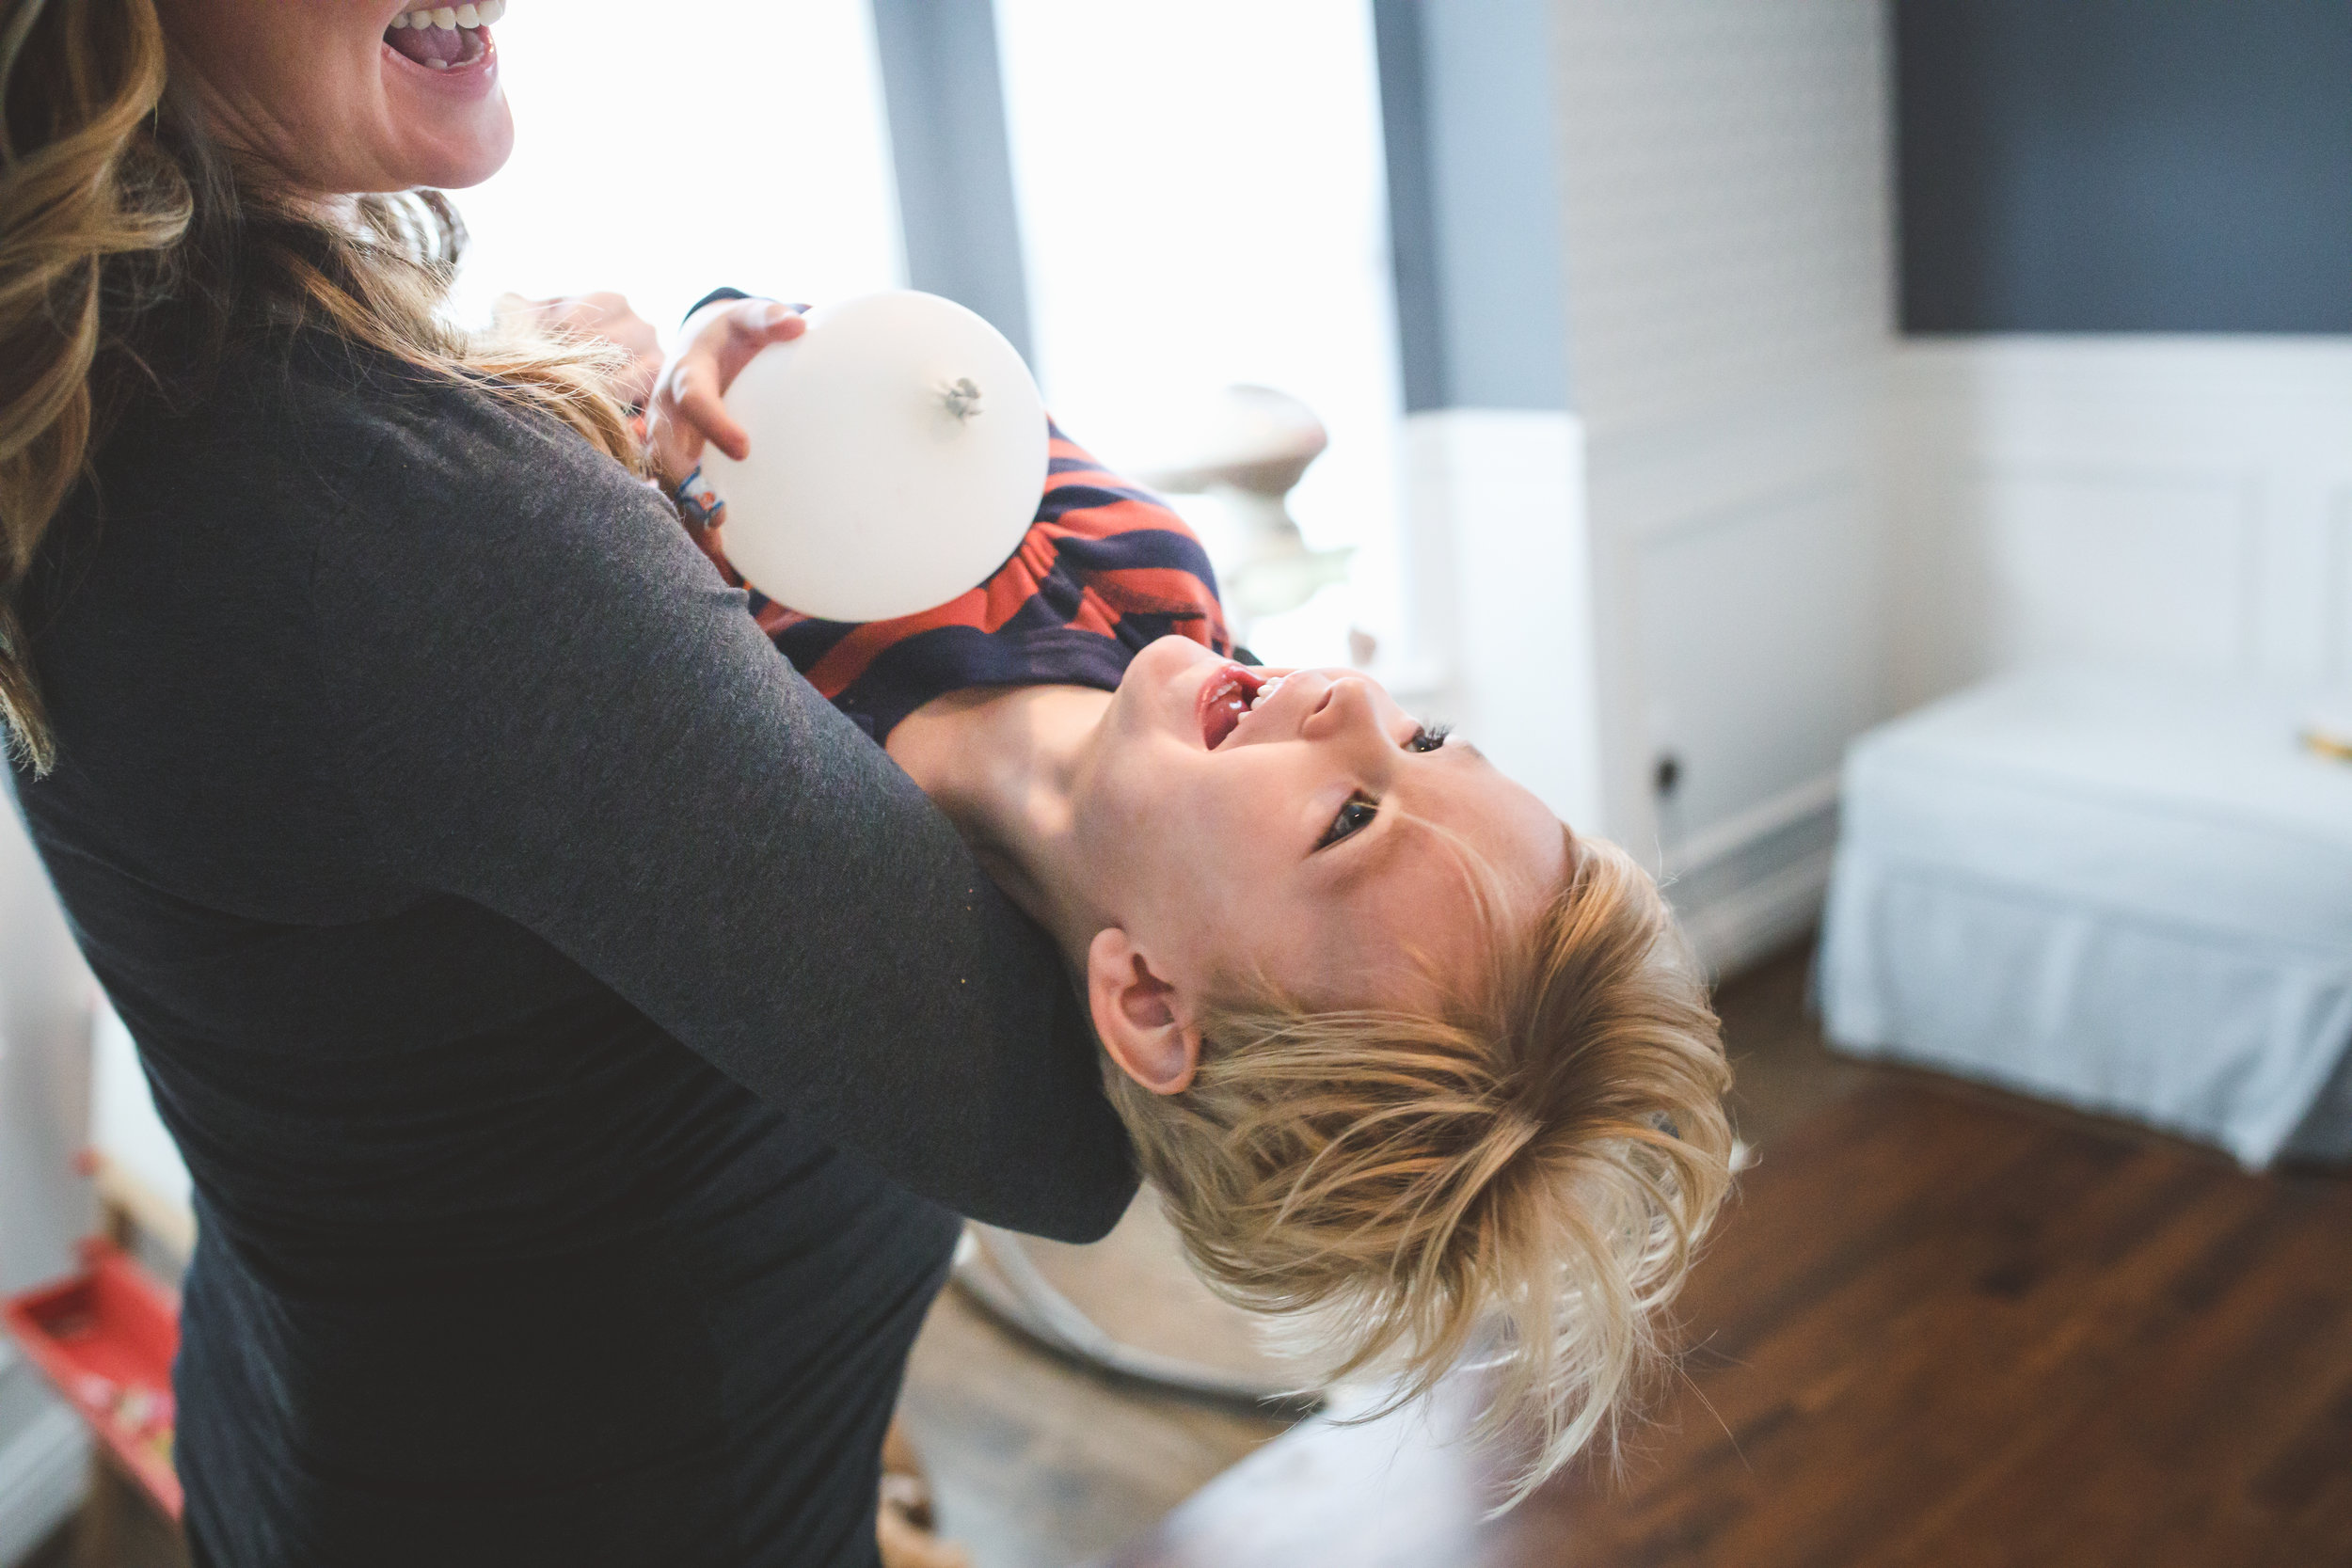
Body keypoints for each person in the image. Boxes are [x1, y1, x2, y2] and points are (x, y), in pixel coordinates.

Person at [0, 3, 1133, 1565]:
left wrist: (600, 475)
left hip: (341, 1429)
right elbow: (1057, 1130)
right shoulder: (391, 522)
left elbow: (485, 768)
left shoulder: (103, 396)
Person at [651, 328, 1736, 1503]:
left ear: (1153, 1002)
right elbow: (838, 365)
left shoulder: (805, 864)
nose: (1349, 693)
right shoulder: (1139, 573)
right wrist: (722, 360)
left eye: (1348, 816)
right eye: (1424, 740)